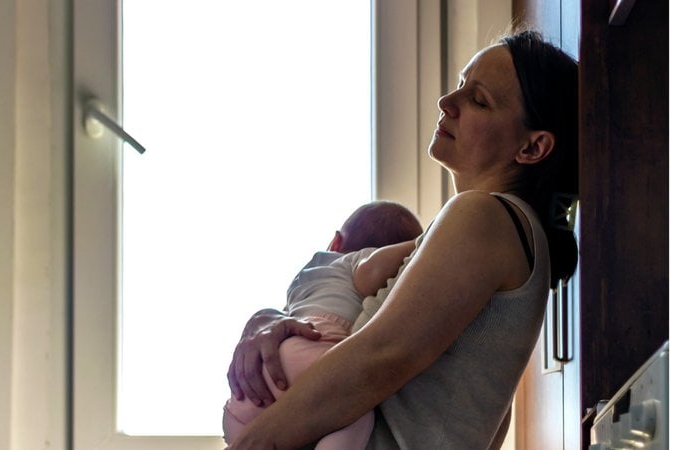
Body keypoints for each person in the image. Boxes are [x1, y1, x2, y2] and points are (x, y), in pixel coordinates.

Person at [226, 28, 579, 449]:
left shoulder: (485, 215)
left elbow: (378, 358)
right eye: (461, 85)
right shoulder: (502, 233)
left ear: (533, 147)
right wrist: (280, 321)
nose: (447, 102)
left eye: (478, 99)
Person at [222, 201, 424, 449]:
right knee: (355, 407)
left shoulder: (309, 273)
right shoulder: (354, 261)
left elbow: (288, 314)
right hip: (322, 350)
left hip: (274, 361)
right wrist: (425, 243)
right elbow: (371, 272)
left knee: (243, 427)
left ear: (336, 242)